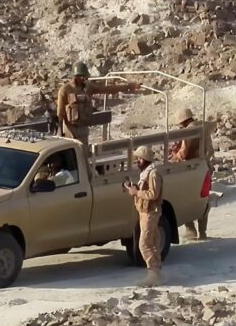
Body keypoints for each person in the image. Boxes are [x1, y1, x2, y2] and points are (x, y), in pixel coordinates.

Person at [56, 62, 141, 156]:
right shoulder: (65, 90)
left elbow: (106, 89)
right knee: (71, 156)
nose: (83, 78)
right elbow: (60, 113)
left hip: (83, 128)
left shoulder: (88, 87)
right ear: (75, 76)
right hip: (70, 130)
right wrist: (60, 132)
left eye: (84, 76)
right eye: (81, 76)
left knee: (83, 155)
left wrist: (128, 86)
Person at [169, 108, 213, 239]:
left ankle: (190, 229)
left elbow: (183, 153)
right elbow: (210, 150)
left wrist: (174, 155)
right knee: (203, 199)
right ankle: (203, 232)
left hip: (190, 169)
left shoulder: (188, 131)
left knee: (184, 199)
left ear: (182, 121)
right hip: (204, 167)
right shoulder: (203, 127)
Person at [125, 146, 163, 287]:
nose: (138, 161)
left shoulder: (153, 174)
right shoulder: (146, 173)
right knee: (153, 242)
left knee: (144, 244)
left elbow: (153, 194)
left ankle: (153, 273)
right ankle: (156, 272)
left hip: (150, 212)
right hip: (144, 211)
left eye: (140, 159)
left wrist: (136, 193)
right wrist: (134, 188)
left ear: (145, 159)